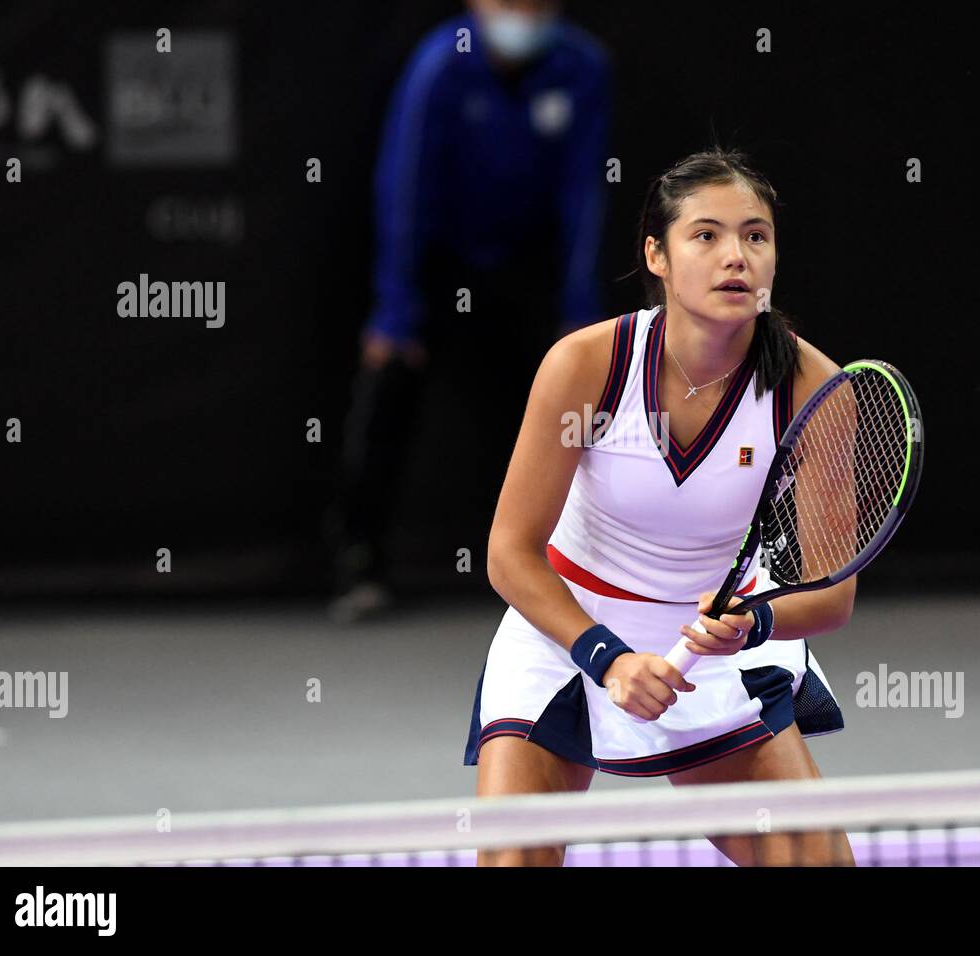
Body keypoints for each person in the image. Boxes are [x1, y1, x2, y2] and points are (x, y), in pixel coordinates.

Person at [465, 148, 858, 866]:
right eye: (706, 235)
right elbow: (509, 552)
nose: (735, 255)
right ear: (658, 255)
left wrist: (753, 620)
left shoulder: (814, 387)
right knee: (511, 863)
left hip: (715, 649)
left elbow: (832, 595)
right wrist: (607, 658)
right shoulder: (587, 366)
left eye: (755, 236)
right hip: (568, 635)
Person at [327, 0, 610, 621]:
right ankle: (359, 564)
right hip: (438, 263)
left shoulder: (583, 67)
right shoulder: (439, 66)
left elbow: (582, 194)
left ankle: (569, 570)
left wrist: (578, 308)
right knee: (386, 391)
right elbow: (405, 189)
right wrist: (398, 309)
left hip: (525, 267)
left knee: (564, 404)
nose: (521, 14)